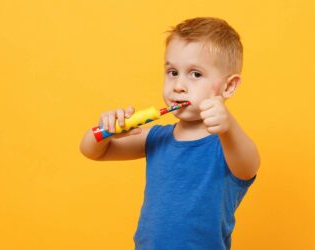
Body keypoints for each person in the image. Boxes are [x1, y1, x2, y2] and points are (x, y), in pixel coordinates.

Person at [80, 17, 261, 250]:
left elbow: (250, 165)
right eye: (173, 72)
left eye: (195, 74)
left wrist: (229, 125)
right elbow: (92, 152)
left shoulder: (228, 145)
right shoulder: (156, 138)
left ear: (228, 86)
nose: (178, 86)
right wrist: (106, 130)